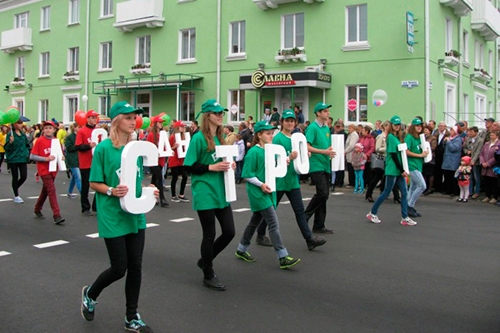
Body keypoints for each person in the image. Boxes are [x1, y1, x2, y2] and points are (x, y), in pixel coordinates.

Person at [80, 101, 156, 332]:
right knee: (118, 268)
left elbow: (135, 181)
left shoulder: (136, 148)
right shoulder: (104, 148)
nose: (134, 121)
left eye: (135, 117)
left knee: (136, 267)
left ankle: (131, 317)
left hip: (134, 213)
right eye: (128, 117)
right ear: (116, 121)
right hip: (112, 213)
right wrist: (112, 191)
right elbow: (94, 181)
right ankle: (90, 295)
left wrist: (149, 190)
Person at [255, 110, 326, 250]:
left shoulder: (296, 139)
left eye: (292, 121)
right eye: (287, 120)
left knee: (299, 211)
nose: (290, 123)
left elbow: (300, 158)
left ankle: (309, 239)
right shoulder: (277, 139)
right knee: (271, 209)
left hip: (292, 180)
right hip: (279, 181)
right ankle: (260, 233)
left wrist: (306, 155)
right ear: (282, 122)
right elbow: (272, 160)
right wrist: (289, 157)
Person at [184, 99, 236, 291]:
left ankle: (205, 260)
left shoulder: (222, 136)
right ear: (208, 116)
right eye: (216, 113)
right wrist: (211, 167)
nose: (220, 115)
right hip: (205, 189)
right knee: (209, 234)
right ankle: (208, 273)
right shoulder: (198, 138)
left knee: (230, 231)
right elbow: (189, 166)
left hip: (221, 190)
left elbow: (224, 161)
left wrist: (230, 165)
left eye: (221, 112)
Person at [235, 120, 301, 269]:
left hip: (268, 190)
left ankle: (241, 249)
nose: (271, 135)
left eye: (272, 133)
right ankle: (282, 256)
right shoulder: (253, 152)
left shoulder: (269, 150)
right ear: (259, 135)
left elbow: (276, 167)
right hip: (258, 192)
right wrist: (261, 184)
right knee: (273, 222)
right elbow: (247, 175)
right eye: (268, 133)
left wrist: (288, 160)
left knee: (254, 221)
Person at [366, 116, 416, 226]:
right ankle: (372, 212)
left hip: (397, 169)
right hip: (393, 169)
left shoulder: (396, 137)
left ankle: (405, 217)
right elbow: (393, 155)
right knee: (387, 192)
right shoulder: (391, 138)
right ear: (391, 125)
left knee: (404, 193)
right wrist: (402, 169)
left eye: (398, 125)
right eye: (395, 125)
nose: (397, 126)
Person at [304, 102, 336, 234]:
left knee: (324, 196)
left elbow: (327, 146)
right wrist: (324, 152)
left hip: (325, 164)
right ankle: (304, 216)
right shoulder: (312, 127)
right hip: (316, 164)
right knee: (323, 193)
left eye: (328, 111)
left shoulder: (326, 128)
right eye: (325, 111)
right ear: (318, 113)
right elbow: (307, 146)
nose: (327, 113)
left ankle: (319, 225)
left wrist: (331, 152)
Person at [30, 120, 65, 224]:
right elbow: (32, 156)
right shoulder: (40, 141)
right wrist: (46, 159)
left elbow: (60, 154)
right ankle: (57, 215)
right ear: (43, 130)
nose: (48, 130)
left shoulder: (56, 141)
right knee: (51, 190)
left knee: (45, 190)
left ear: (54, 130)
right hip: (44, 169)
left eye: (50, 128)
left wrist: (62, 157)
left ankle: (37, 208)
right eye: (46, 128)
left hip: (53, 169)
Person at [76, 109, 99, 216]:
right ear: (88, 119)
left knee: (99, 184)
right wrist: (89, 146)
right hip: (85, 162)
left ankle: (96, 205)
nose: (95, 119)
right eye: (92, 117)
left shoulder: (98, 131)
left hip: (97, 162)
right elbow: (78, 146)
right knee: (86, 186)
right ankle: (85, 207)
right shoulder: (82, 131)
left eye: (95, 117)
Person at [405, 118, 428, 217]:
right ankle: (410, 205)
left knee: (413, 187)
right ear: (413, 127)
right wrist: (420, 155)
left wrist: (426, 153)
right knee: (422, 186)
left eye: (420, 126)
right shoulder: (409, 137)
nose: (419, 127)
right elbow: (406, 151)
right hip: (412, 165)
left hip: (418, 165)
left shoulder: (420, 138)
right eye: (417, 126)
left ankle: (407, 207)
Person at [5, 119, 30, 203]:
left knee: (24, 176)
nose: (20, 125)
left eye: (20, 123)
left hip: (22, 158)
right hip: (13, 159)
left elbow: (27, 144)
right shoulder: (10, 134)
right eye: (18, 123)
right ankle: (16, 195)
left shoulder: (23, 134)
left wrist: (27, 153)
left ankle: (15, 187)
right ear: (14, 124)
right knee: (15, 177)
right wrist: (10, 142)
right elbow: (7, 148)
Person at [147, 115, 169, 207]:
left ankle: (152, 197)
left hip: (161, 160)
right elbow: (148, 147)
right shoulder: (151, 135)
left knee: (154, 180)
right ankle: (162, 198)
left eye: (162, 123)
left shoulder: (162, 135)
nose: (161, 124)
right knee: (159, 178)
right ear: (155, 124)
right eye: (159, 122)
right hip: (153, 160)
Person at [168, 121, 189, 203]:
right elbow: (168, 149)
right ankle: (173, 196)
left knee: (185, 176)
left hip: (181, 160)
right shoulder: (172, 137)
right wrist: (174, 147)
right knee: (175, 177)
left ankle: (181, 194)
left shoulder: (184, 137)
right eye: (181, 126)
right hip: (174, 160)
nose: (183, 128)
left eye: (183, 127)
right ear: (177, 127)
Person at [479, 130, 500, 204]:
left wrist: (488, 163)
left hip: (492, 166)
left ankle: (495, 197)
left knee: (494, 182)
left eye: (493, 135)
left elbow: (496, 157)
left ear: (497, 136)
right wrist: (482, 162)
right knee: (486, 181)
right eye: (491, 135)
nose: (491, 137)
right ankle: (487, 195)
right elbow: (481, 153)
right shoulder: (487, 143)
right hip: (484, 165)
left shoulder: (498, 144)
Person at [463, 126, 483, 199]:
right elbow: (464, 147)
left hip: (475, 161)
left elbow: (478, 151)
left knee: (476, 177)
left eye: (471, 132)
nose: (469, 133)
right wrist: (467, 151)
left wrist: (473, 160)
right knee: (469, 177)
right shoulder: (468, 139)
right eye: (469, 132)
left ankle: (477, 191)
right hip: (468, 160)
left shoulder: (480, 140)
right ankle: (470, 191)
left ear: (476, 132)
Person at [441, 126, 462, 196]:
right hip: (447, 159)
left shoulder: (458, 139)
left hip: (453, 160)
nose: (451, 132)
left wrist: (449, 142)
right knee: (447, 176)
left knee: (453, 176)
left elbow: (453, 148)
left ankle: (455, 191)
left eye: (452, 131)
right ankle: (448, 189)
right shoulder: (449, 138)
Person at [65, 123, 82, 198]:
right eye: (79, 127)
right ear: (74, 128)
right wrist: (78, 146)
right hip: (72, 159)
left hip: (79, 159)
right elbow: (68, 148)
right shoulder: (70, 137)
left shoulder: (81, 136)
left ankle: (69, 191)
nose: (80, 128)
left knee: (74, 177)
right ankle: (83, 193)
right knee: (78, 177)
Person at [422, 125, 438, 196]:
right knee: (424, 173)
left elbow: (434, 147)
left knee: (430, 173)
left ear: (430, 131)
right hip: (424, 157)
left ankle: (430, 188)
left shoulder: (433, 138)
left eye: (426, 130)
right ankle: (424, 187)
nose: (425, 131)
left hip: (430, 158)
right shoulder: (423, 138)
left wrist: (426, 149)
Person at [345, 124, 359, 188]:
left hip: (352, 153)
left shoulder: (354, 135)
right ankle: (351, 182)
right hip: (349, 154)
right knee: (350, 168)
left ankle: (352, 182)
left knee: (352, 168)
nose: (349, 129)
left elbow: (352, 145)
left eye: (350, 128)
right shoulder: (350, 134)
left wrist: (345, 151)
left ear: (353, 128)